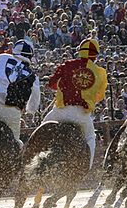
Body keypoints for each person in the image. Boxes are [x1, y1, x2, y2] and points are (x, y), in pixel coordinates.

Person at [43, 38, 108, 168]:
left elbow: (51, 83)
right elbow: (100, 96)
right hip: (81, 115)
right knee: (90, 137)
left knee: (42, 129)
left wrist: (64, 87)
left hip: (60, 111)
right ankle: (86, 168)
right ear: (95, 55)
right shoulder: (100, 73)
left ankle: (33, 160)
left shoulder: (67, 65)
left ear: (80, 51)